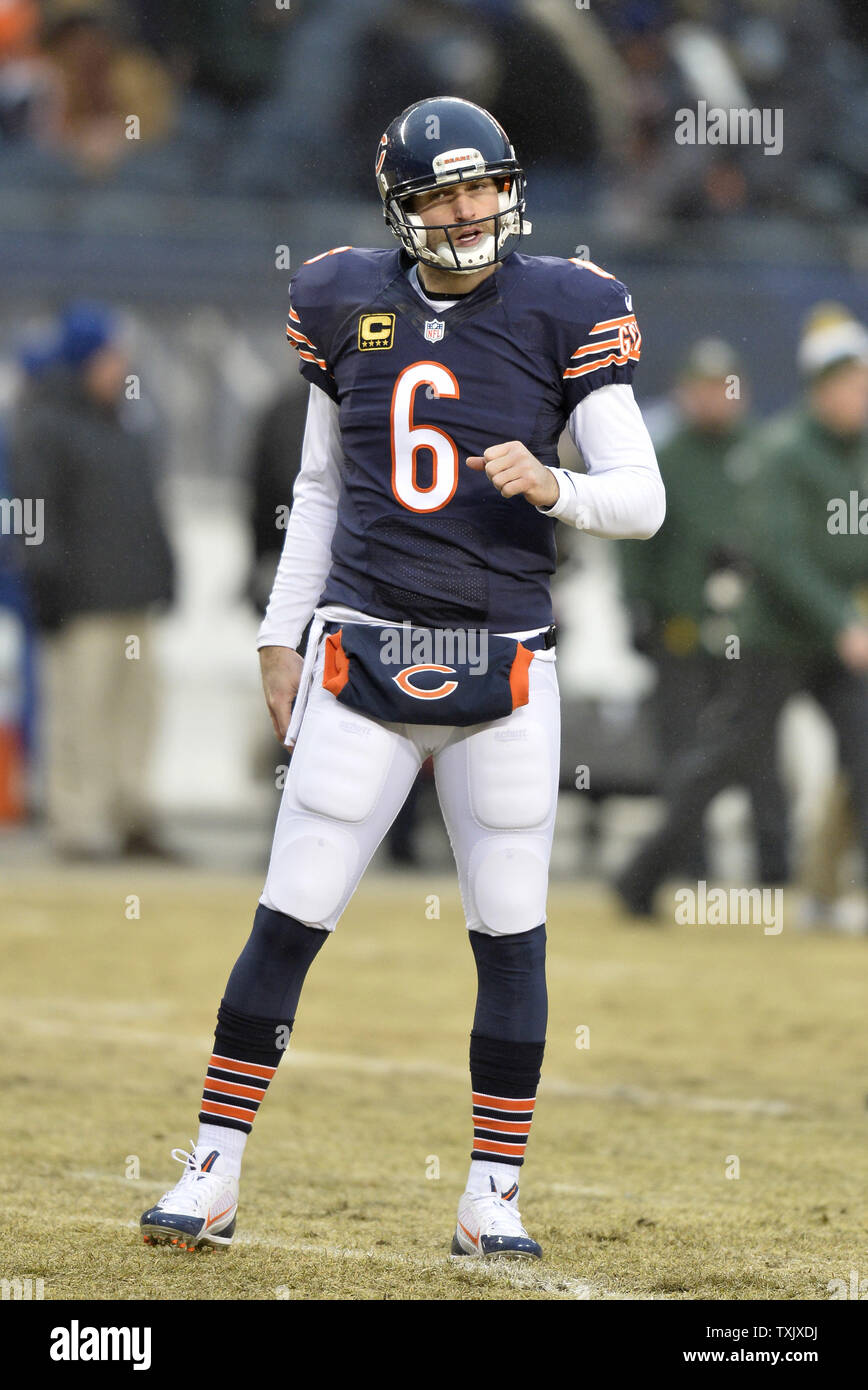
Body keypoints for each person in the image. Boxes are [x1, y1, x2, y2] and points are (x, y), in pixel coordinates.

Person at [140, 96, 665, 1260]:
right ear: (404, 207)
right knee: (289, 917)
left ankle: (492, 1194)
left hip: (505, 658)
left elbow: (642, 496)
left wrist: (555, 485)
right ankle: (212, 1171)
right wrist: (279, 634)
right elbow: (320, 491)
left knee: (510, 935)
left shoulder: (567, 306)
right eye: (444, 192)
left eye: (485, 186)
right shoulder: (341, 299)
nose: (471, 209)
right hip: (364, 644)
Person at [615, 304, 868, 919]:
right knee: (725, 760)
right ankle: (643, 872)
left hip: (840, 641)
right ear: (822, 391)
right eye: (851, 385)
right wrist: (842, 621)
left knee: (864, 753)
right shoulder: (783, 453)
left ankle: (827, 882)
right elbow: (779, 557)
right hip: (774, 638)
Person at [9, 302, 175, 858]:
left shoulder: (125, 420)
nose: (121, 365)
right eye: (111, 355)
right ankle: (76, 824)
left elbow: (147, 506)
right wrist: (44, 581)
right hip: (80, 603)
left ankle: (131, 814)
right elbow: (31, 513)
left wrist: (166, 569)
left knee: (136, 714)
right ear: (85, 360)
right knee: (78, 717)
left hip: (134, 597)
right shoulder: (44, 422)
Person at [619, 338, 787, 885]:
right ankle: (688, 863)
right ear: (686, 394)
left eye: (725, 388)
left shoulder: (764, 453)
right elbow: (638, 542)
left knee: (757, 748)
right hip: (683, 628)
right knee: (684, 749)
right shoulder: (664, 457)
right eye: (704, 389)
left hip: (754, 633)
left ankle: (775, 861)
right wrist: (638, 606)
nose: (716, 399)